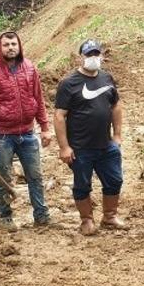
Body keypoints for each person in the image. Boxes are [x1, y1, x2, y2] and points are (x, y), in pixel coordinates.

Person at [0, 30, 52, 230]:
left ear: (19, 45)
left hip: (27, 133)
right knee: (3, 177)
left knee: (35, 175)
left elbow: (38, 99)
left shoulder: (30, 68)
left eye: (14, 44)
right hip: (2, 136)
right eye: (6, 45)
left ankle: (41, 215)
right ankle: (5, 218)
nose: (11, 48)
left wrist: (44, 127)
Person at [53, 39, 126, 235]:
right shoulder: (69, 83)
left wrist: (117, 135)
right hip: (80, 147)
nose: (93, 58)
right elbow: (59, 116)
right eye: (89, 55)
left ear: (102, 55)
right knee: (82, 185)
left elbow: (116, 106)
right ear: (80, 57)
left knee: (114, 180)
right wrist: (64, 147)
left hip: (106, 144)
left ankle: (109, 216)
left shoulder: (107, 78)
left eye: (96, 54)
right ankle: (86, 220)